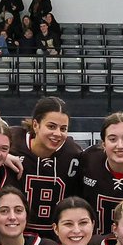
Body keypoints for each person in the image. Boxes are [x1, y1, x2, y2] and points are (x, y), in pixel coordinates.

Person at [8, 96, 83, 237]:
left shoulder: (73, 154)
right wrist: (1, 155)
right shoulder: (11, 141)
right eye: (51, 126)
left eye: (63, 129)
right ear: (35, 125)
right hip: (13, 236)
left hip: (55, 239)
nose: (57, 134)